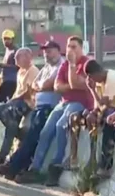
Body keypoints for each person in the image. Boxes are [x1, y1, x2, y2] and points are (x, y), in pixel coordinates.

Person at [18, 36, 93, 186]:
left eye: (74, 47)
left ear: (81, 48)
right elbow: (57, 86)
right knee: (46, 132)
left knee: (61, 126)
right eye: (69, 47)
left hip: (80, 103)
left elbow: (79, 84)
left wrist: (72, 69)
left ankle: (56, 165)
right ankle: (36, 168)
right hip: (63, 102)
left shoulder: (86, 63)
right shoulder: (65, 64)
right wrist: (72, 83)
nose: (71, 50)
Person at [0, 41, 64, 181]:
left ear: (58, 51)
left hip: (48, 107)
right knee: (29, 137)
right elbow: (35, 84)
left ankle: (12, 166)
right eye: (45, 51)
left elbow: (47, 84)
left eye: (50, 51)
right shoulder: (46, 67)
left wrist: (40, 86)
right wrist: (41, 86)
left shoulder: (60, 66)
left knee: (32, 137)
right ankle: (16, 167)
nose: (46, 54)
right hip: (38, 107)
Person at [0, 48, 38, 170]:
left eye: (18, 57)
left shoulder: (33, 70)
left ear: (27, 57)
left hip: (27, 104)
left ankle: (2, 156)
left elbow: (28, 92)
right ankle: (3, 155)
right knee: (8, 124)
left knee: (2, 112)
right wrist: (11, 101)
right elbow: (18, 90)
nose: (15, 59)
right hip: (17, 102)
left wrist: (12, 102)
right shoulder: (20, 72)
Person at [81, 59, 115, 178]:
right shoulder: (99, 82)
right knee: (85, 115)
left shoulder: (111, 78)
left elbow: (104, 104)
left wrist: (92, 90)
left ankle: (106, 165)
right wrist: (92, 112)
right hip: (112, 109)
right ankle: (92, 158)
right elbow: (98, 106)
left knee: (108, 120)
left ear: (93, 75)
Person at [0, 29, 19, 103]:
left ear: (13, 39)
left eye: (8, 39)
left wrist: (4, 66)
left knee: (2, 102)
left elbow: (18, 66)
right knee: (1, 102)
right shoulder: (7, 50)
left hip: (12, 81)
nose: (6, 41)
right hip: (6, 80)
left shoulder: (16, 51)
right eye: (4, 39)